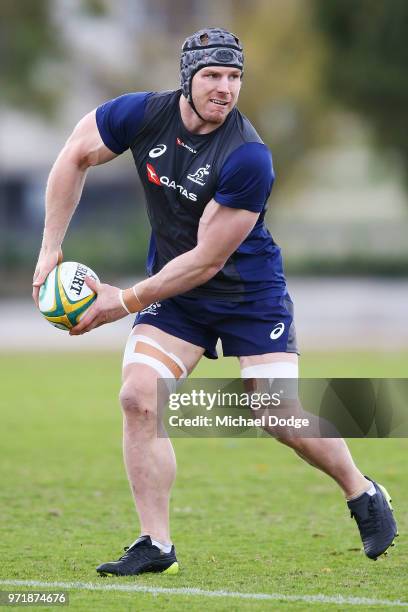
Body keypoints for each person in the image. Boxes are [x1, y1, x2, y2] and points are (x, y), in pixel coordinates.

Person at [32, 27, 397, 576]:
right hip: (178, 300)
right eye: (213, 76)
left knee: (273, 410)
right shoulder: (140, 115)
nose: (225, 88)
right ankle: (156, 544)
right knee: (138, 398)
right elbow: (72, 157)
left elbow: (205, 260)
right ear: (187, 79)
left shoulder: (249, 157)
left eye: (234, 77)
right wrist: (49, 249)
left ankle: (362, 490)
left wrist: (121, 302)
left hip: (247, 294)